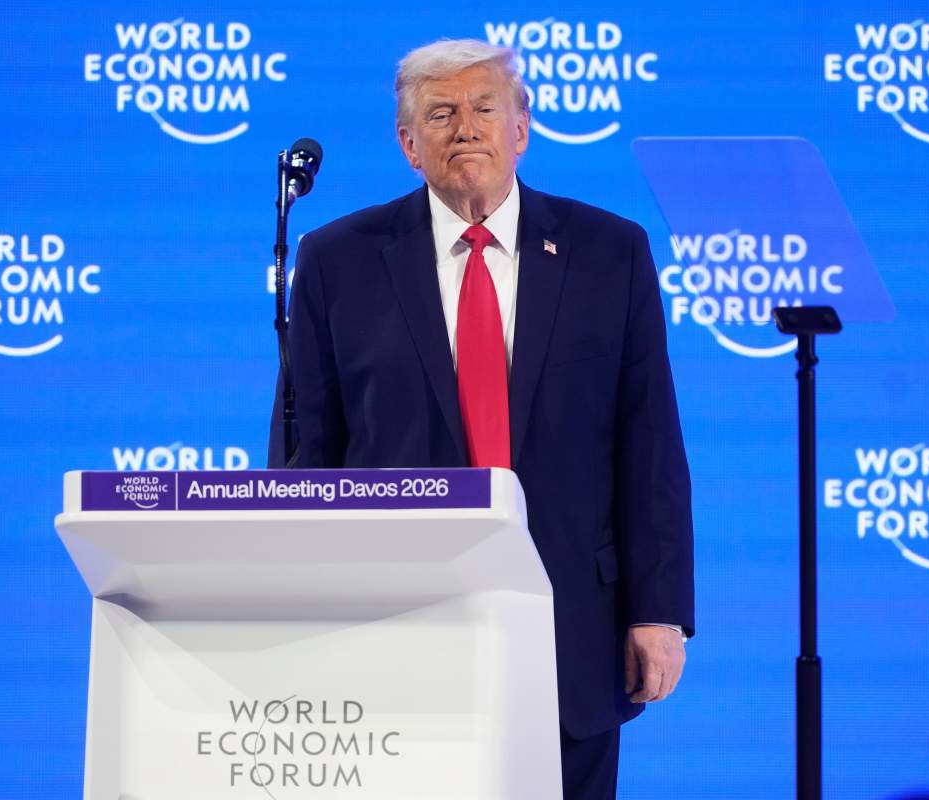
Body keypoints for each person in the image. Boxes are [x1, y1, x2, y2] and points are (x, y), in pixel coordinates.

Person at [269, 38, 694, 800]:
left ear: (521, 129)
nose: (465, 127)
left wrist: (659, 610)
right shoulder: (337, 260)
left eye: (484, 107)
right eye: (440, 113)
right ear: (408, 144)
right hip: (394, 630)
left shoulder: (610, 252)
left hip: (573, 625)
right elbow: (310, 455)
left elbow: (649, 440)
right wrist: (301, 612)